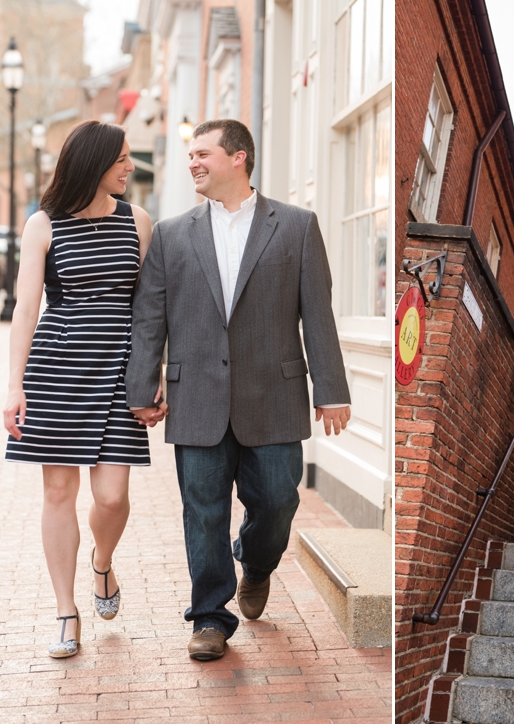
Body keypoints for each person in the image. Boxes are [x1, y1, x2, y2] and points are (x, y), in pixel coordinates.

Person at [126, 119, 351, 661]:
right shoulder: (172, 233)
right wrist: (142, 385)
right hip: (196, 396)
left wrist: (332, 389)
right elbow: (149, 317)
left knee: (277, 499)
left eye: (203, 154)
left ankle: (255, 562)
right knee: (201, 510)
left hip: (274, 396)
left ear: (239, 158)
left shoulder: (296, 226)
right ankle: (209, 617)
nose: (193, 163)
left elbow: (316, 312)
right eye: (191, 156)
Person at [3, 120, 162, 658]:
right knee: (57, 493)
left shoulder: (138, 221)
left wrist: (155, 373)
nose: (129, 167)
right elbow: (27, 309)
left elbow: (151, 309)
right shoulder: (43, 225)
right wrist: (13, 385)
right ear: (93, 163)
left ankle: (102, 562)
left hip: (120, 369)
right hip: (58, 369)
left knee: (113, 496)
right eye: (120, 158)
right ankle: (66, 612)